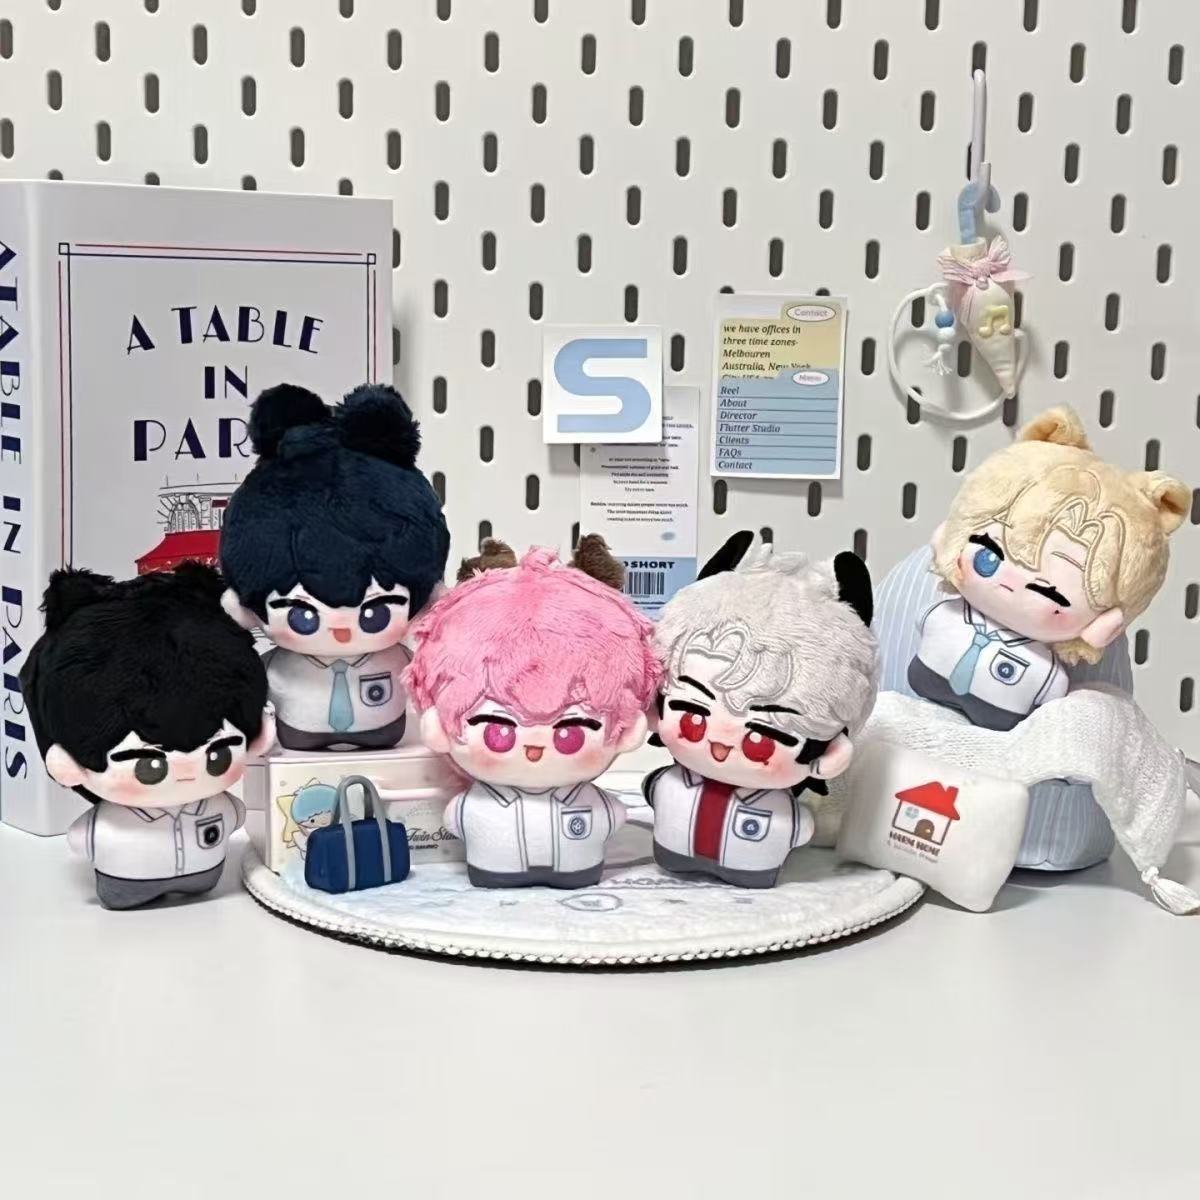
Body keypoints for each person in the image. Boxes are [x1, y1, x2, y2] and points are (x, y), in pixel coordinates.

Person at [910, 406, 1189, 730]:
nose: (1011, 582)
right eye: (989, 558)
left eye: (1050, 596)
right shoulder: (941, 610)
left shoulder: (1045, 670)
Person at [405, 540, 662, 888]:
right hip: (500, 868)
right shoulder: (479, 806)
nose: (534, 748)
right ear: (439, 727)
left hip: (576, 869)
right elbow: (613, 816)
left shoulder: (472, 808)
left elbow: (457, 820)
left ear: (627, 731)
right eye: (500, 732)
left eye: (569, 734)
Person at [19, 563, 275, 909]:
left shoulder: (220, 806)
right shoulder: (109, 824)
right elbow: (80, 838)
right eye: (148, 767)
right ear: (69, 764)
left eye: (217, 757)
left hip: (208, 881)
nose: (186, 773)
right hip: (124, 884)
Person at [219, 382, 450, 751]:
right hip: (295, 732)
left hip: (386, 730)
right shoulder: (275, 666)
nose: (340, 630)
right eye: (303, 617)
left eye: (374, 613)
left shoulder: (399, 658)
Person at [645, 532, 879, 888]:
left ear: (830, 753)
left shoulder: (777, 809)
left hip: (755, 868)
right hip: (672, 853)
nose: (719, 747)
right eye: (694, 720)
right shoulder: (673, 783)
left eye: (760, 742)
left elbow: (802, 828)